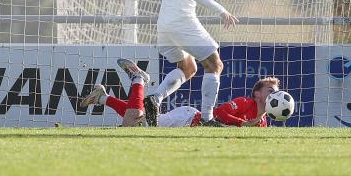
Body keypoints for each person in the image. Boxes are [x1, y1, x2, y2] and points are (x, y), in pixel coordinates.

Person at [144, 0, 239, 126]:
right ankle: (207, 119)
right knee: (215, 64)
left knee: (188, 68)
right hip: (181, 21)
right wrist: (222, 11)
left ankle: (154, 98)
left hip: (164, 22)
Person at [82, 67, 280, 128]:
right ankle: (138, 80)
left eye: (275, 92)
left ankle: (103, 98)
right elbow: (218, 113)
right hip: (186, 119)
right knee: (136, 123)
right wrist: (242, 123)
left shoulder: (262, 124)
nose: (273, 94)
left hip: (188, 122)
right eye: (270, 90)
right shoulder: (245, 103)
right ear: (257, 93)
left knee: (136, 121)